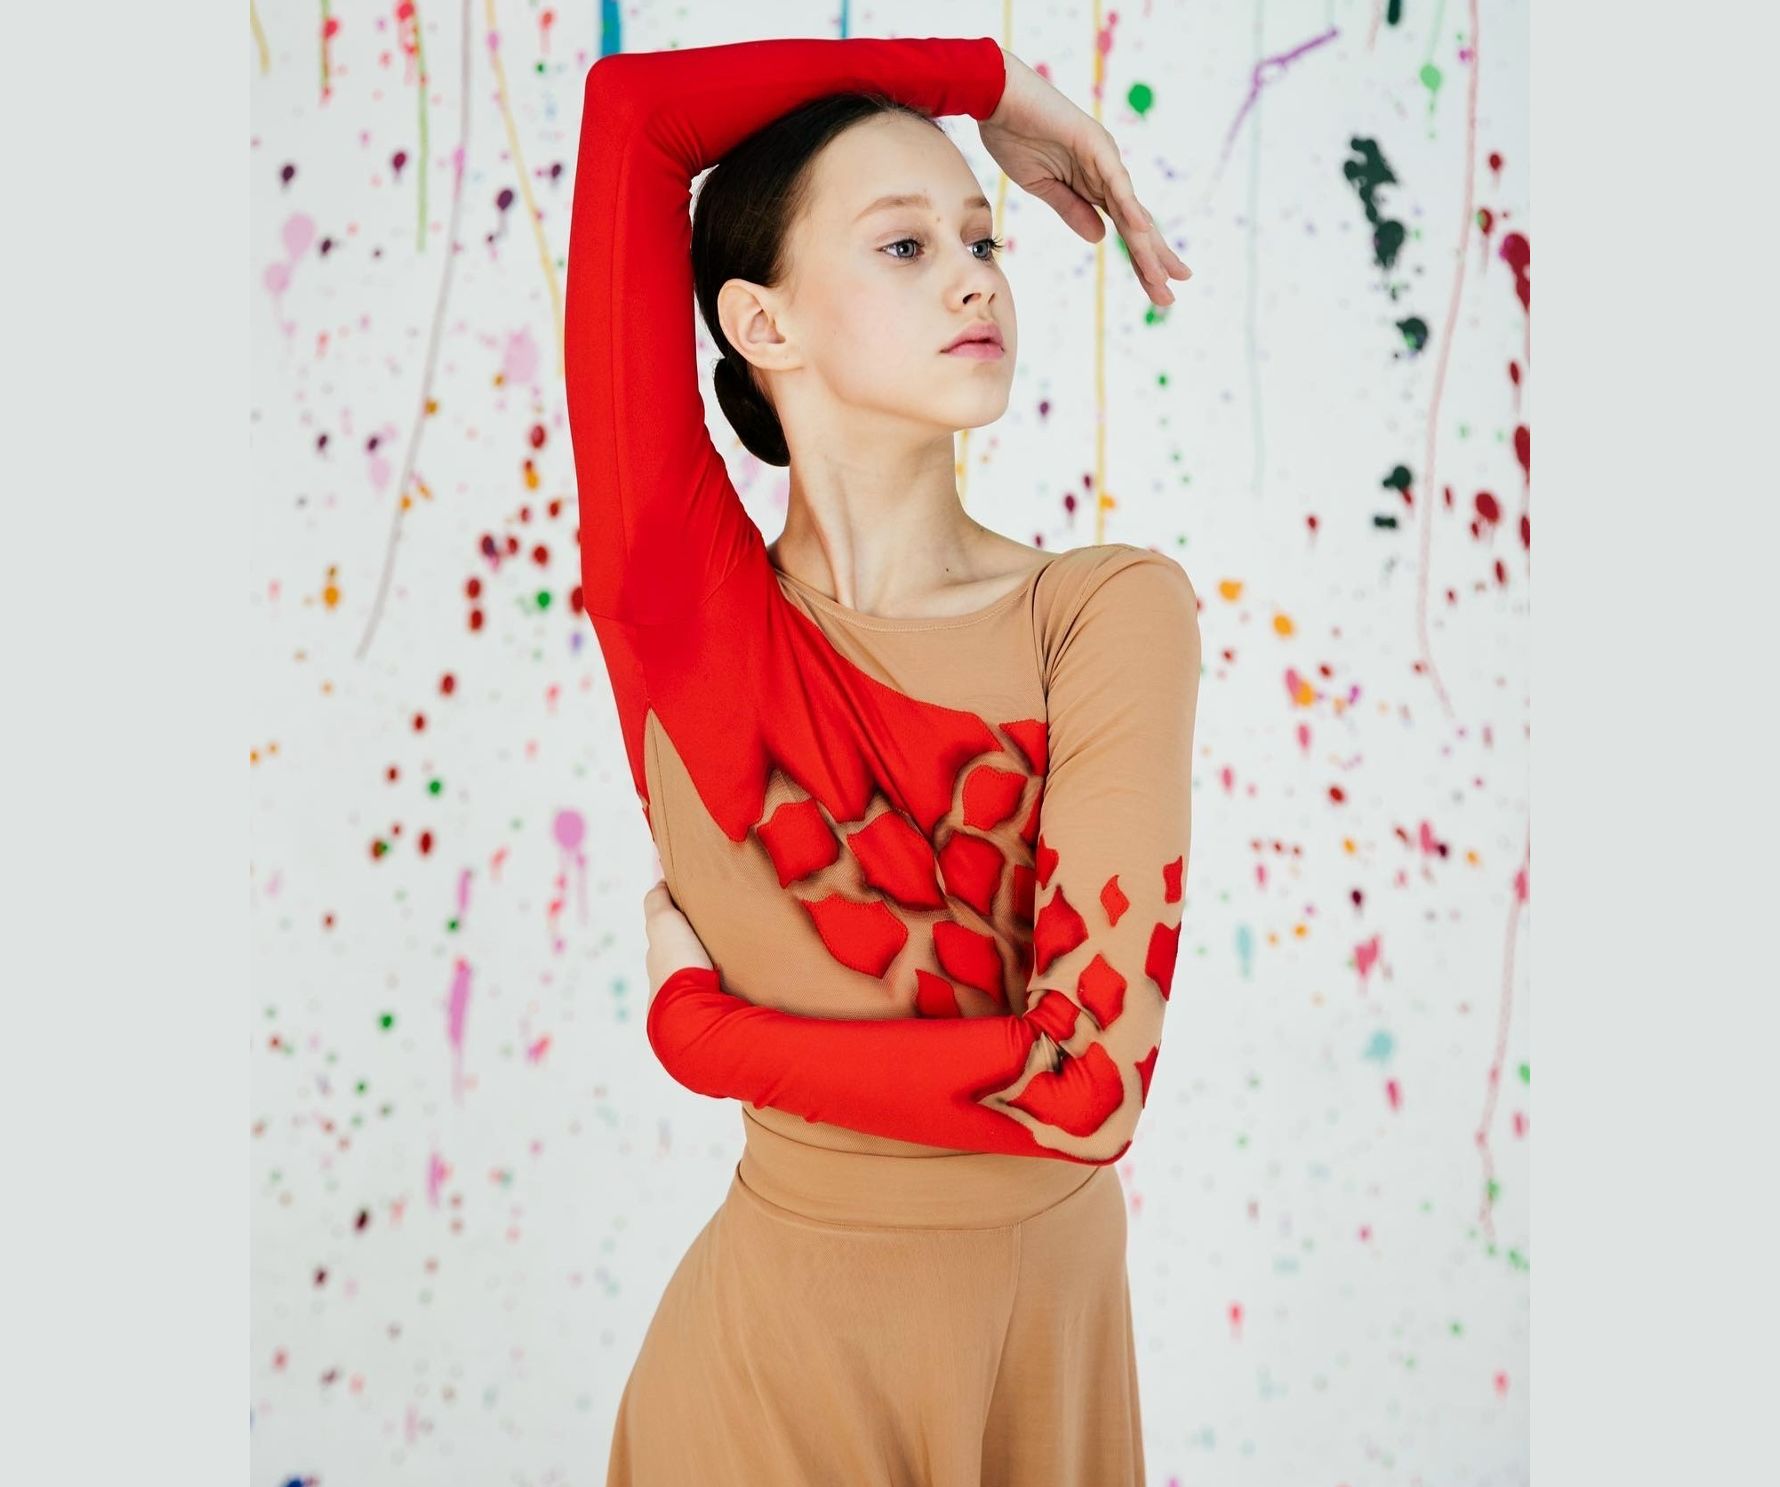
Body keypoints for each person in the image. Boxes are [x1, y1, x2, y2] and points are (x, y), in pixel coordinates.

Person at [565, 33, 1201, 1485]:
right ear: (760, 322)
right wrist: (992, 83)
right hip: (761, 1389)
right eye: (906, 245)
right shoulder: (678, 601)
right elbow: (635, 111)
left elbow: (1087, 1088)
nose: (976, 278)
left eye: (981, 239)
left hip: (1042, 1360)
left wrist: (706, 1040)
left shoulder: (1106, 612)